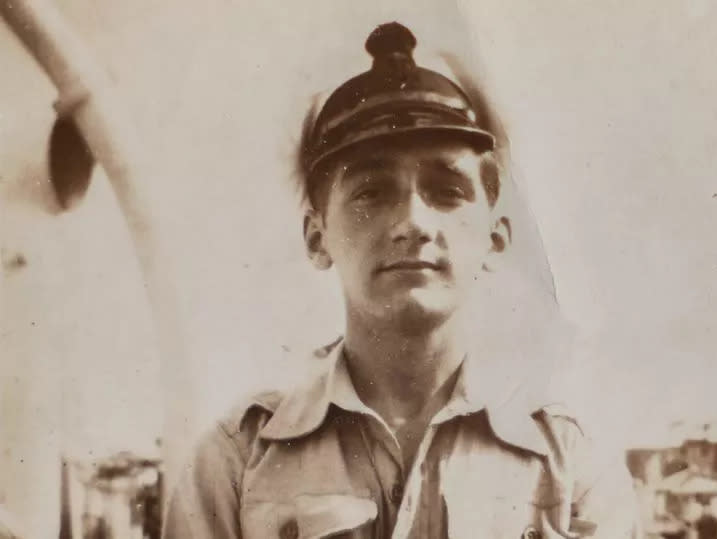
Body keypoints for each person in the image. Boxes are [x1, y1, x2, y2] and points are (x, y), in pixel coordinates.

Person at [163, 21, 641, 539]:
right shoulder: (237, 460)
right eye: (372, 191)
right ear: (316, 238)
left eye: (447, 189)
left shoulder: (568, 463)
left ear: (496, 236)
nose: (413, 221)